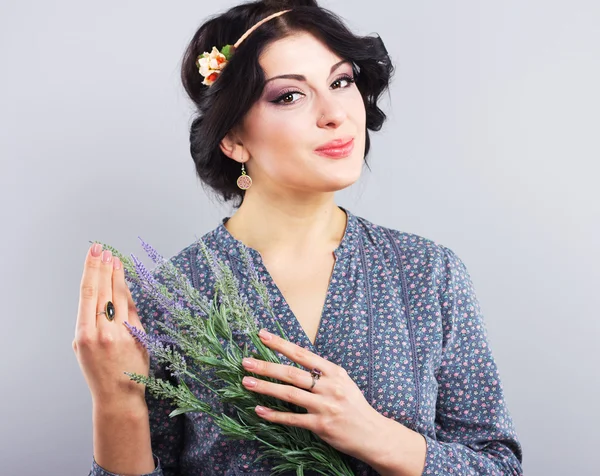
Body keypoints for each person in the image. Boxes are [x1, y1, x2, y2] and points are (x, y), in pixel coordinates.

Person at [74, 1, 524, 474]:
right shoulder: (172, 297)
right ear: (233, 139)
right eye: (290, 96)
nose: (335, 113)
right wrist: (116, 400)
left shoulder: (426, 272)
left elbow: (497, 465)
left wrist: (374, 435)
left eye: (341, 82)